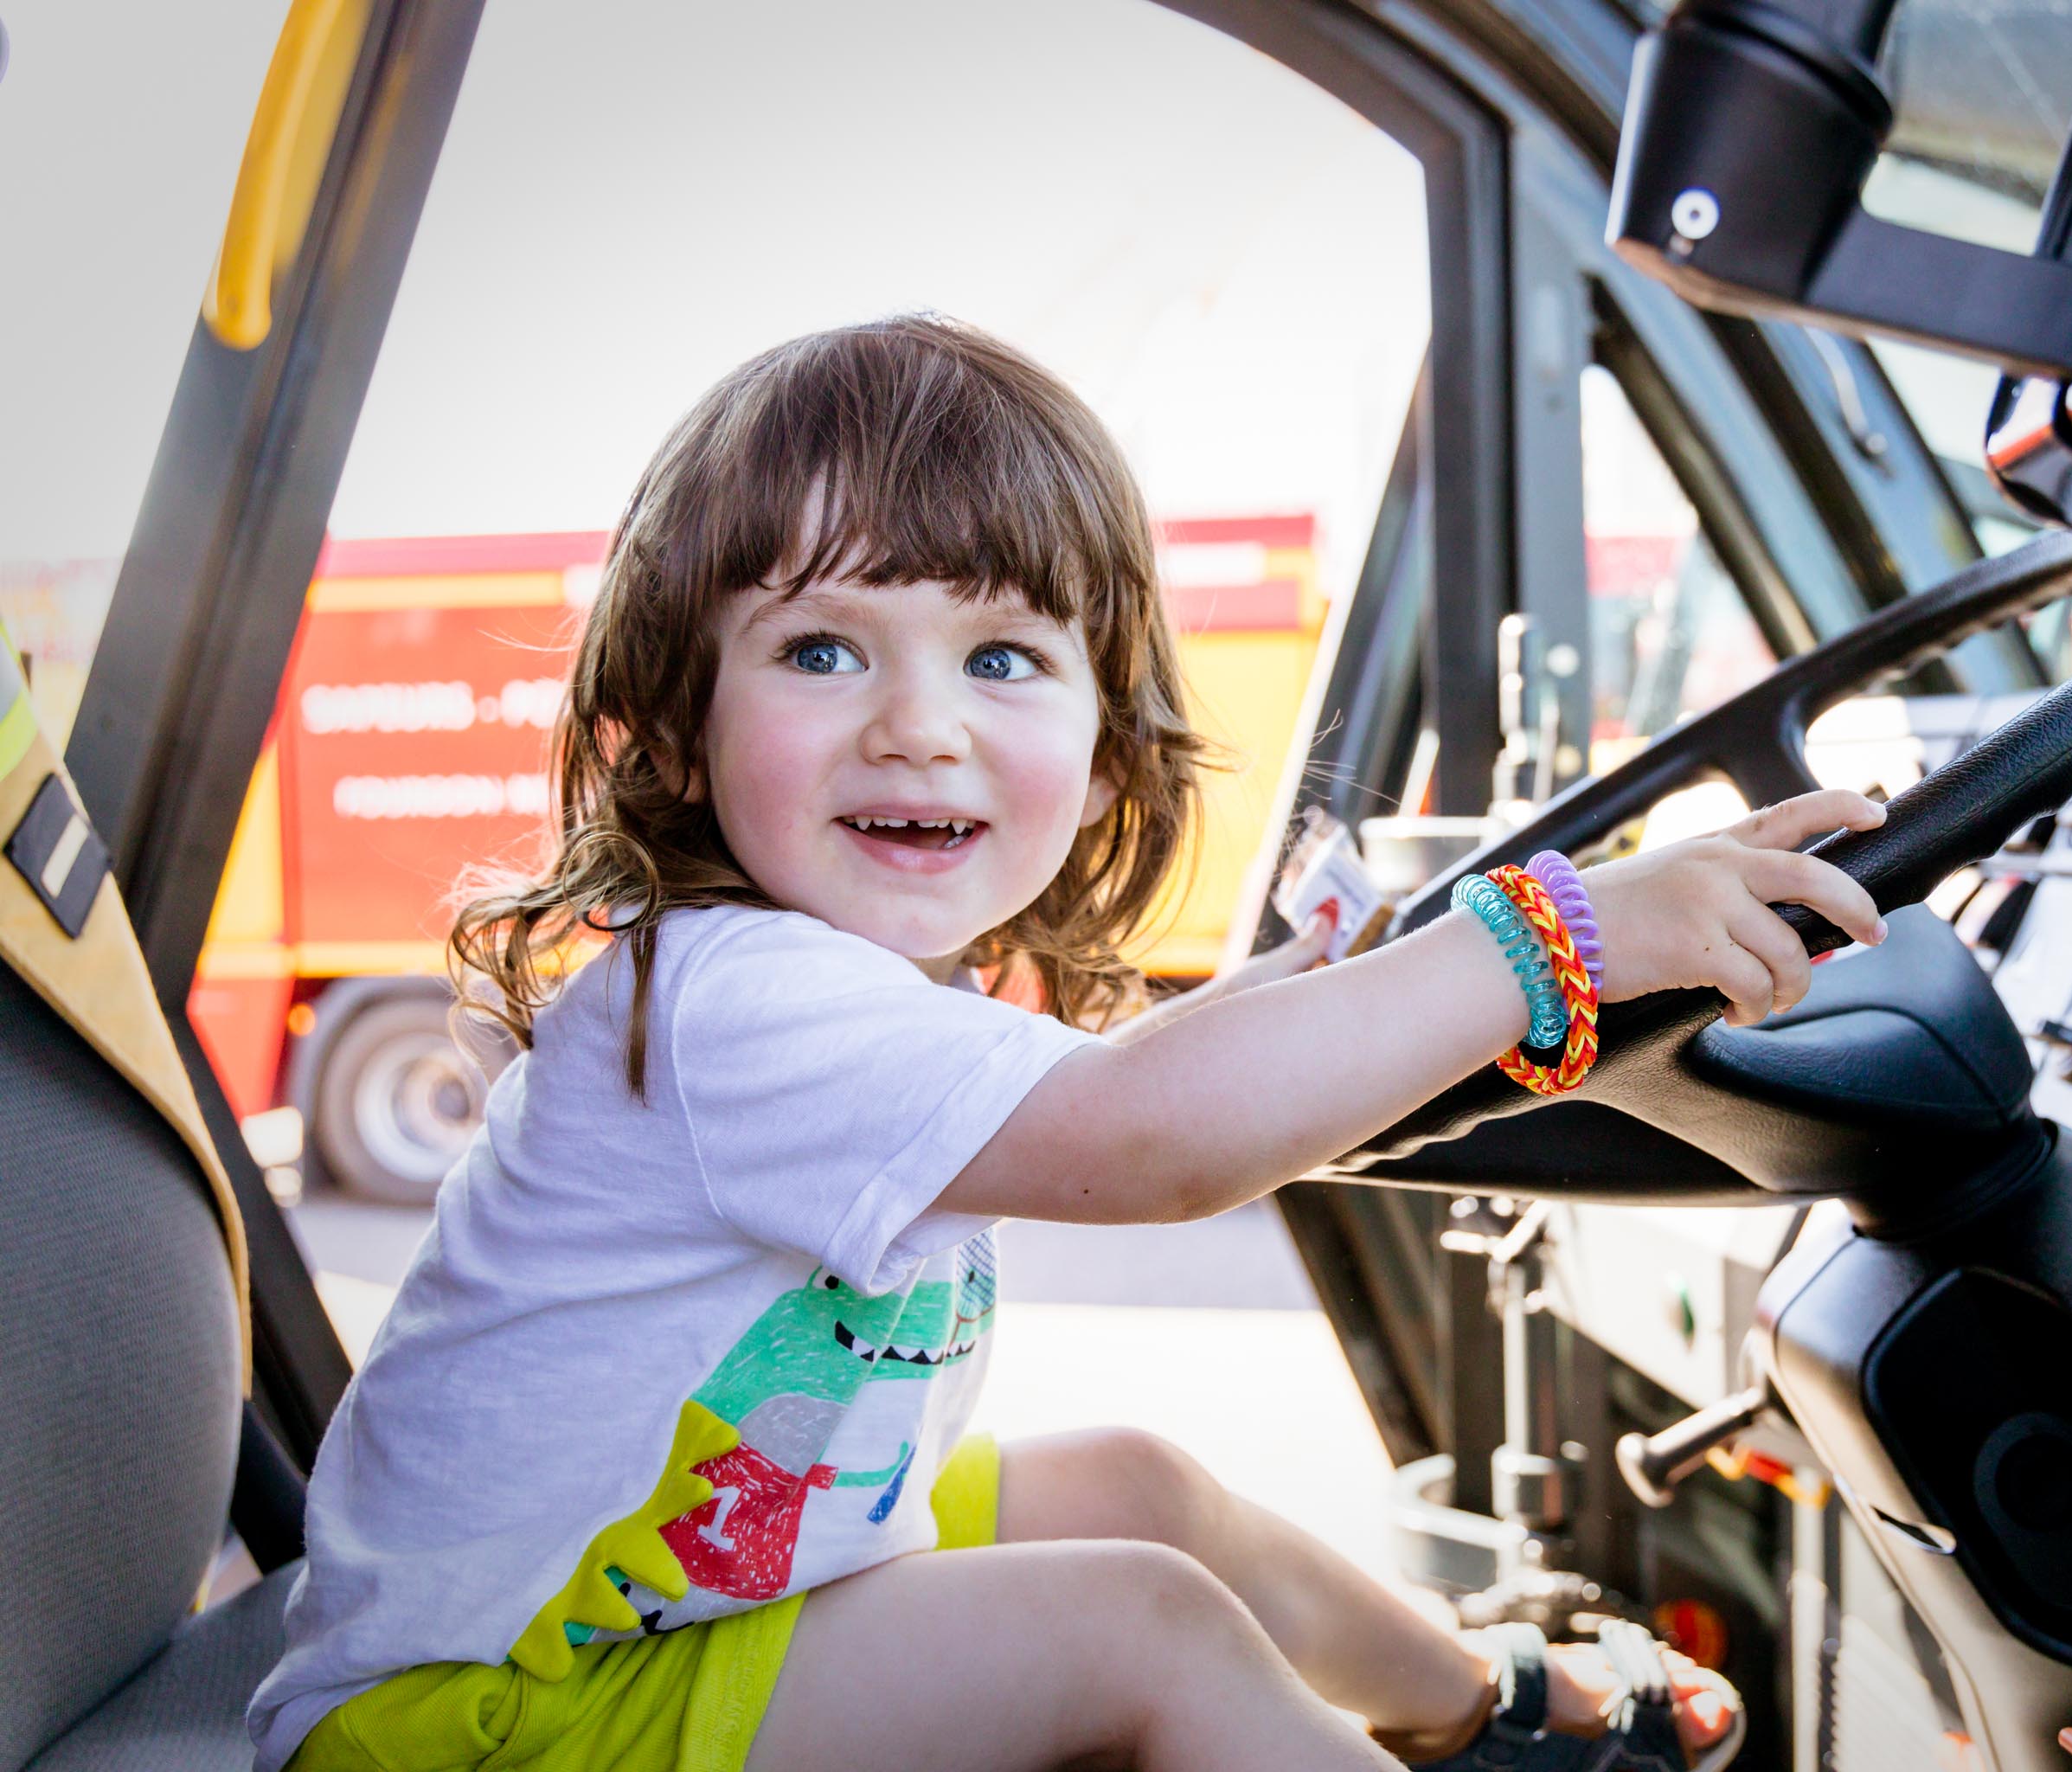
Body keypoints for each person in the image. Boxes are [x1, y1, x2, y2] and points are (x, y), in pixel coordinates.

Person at [247, 316, 1889, 1772]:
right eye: (823, 651)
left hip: (654, 1590)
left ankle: (1482, 1716)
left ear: (1106, 755)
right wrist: (1557, 943)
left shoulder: (843, 1002)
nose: (920, 719)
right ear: (675, 728)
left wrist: (1334, 986)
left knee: (1142, 1488)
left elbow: (1139, 1096)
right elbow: (1152, 1140)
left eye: (1004, 657)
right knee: (1137, 1632)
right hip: (488, 1717)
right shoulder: (736, 997)